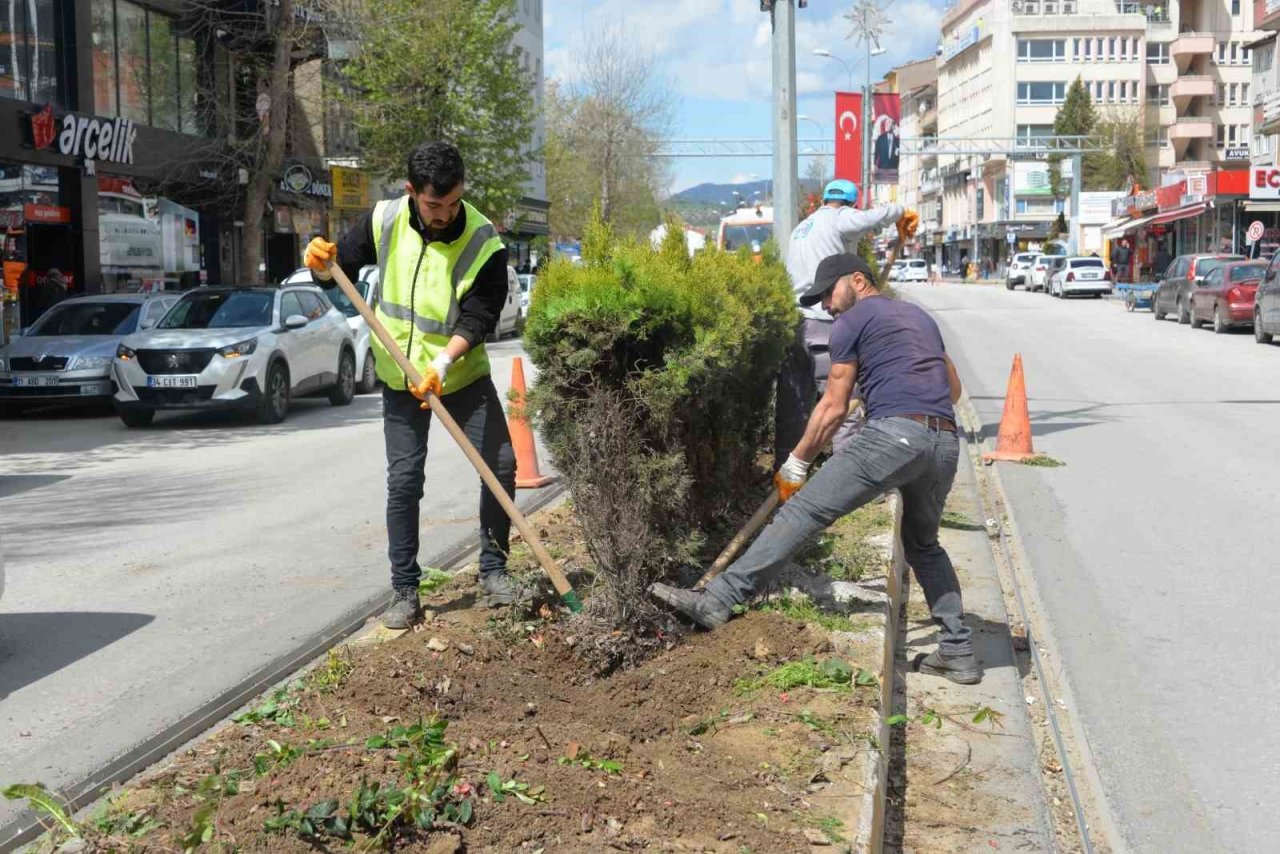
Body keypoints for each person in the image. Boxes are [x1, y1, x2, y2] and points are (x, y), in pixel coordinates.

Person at [650, 251, 980, 685]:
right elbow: (952, 390)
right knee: (924, 545)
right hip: (943, 441)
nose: (826, 305)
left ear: (857, 280)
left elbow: (833, 407)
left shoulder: (852, 322)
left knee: (801, 511)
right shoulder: (920, 318)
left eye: (828, 292)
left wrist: (797, 462)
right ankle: (957, 651)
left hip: (893, 435)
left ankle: (719, 598)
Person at [303, 141, 518, 628]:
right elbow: (336, 268)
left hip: (459, 376)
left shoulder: (484, 242)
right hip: (401, 380)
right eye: (432, 205)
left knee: (501, 465)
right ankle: (405, 589)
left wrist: (442, 363)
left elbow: (481, 314)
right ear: (411, 192)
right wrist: (318, 262)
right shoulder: (384, 220)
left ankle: (494, 570)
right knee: (404, 481)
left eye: (452, 202)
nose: (443, 214)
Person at [776, 178, 909, 468]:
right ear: (851, 203)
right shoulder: (840, 217)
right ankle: (846, 475)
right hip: (826, 323)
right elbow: (867, 219)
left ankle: (785, 469)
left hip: (796, 325)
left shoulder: (802, 228)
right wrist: (900, 211)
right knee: (844, 403)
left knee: (794, 405)